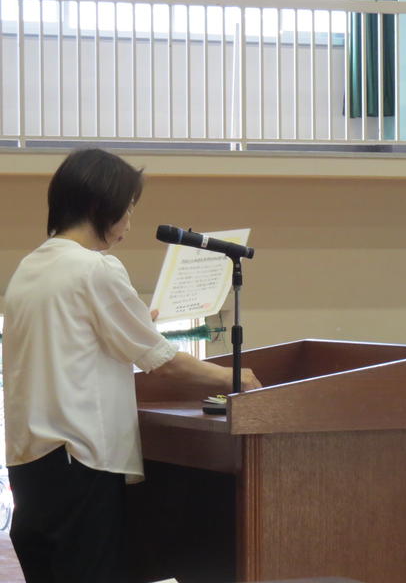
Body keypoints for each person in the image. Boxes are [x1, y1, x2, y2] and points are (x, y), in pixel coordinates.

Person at [2, 148, 262, 583]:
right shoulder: (95, 269)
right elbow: (163, 364)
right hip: (79, 462)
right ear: (98, 206)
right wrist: (237, 378)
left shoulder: (30, 268)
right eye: (127, 210)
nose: (128, 225)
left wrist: (139, 326)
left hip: (31, 466)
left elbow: (77, 345)